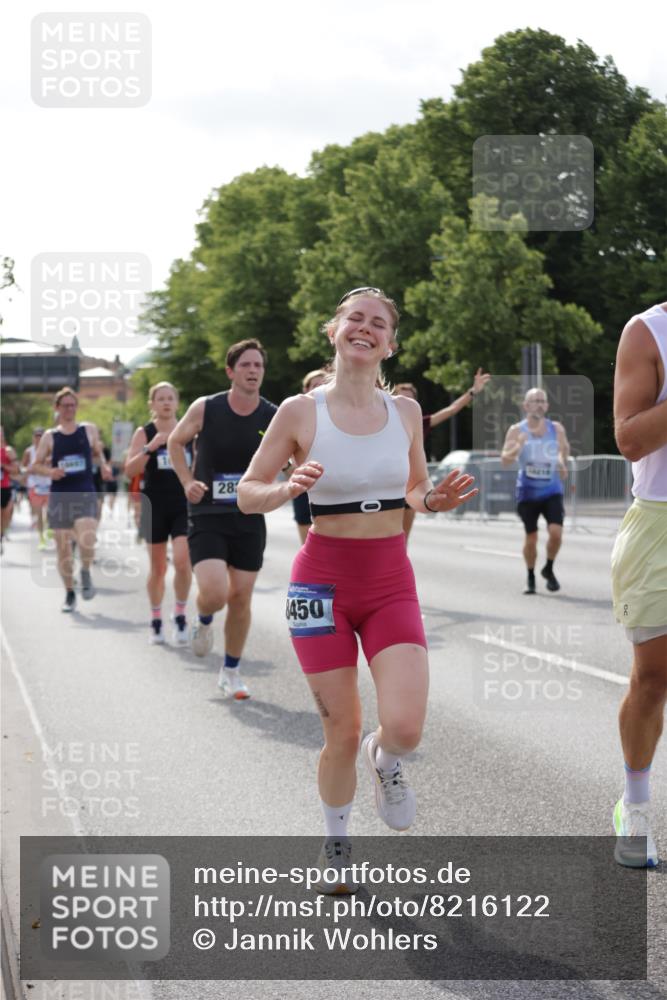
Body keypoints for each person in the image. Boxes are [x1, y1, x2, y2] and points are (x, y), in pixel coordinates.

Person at [238, 287, 476, 891]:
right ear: (334, 330)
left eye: (378, 324)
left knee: (404, 728)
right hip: (320, 582)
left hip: (390, 577)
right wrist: (288, 490)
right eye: (355, 319)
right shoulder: (299, 411)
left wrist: (434, 500)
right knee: (340, 729)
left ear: (390, 344)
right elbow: (247, 491)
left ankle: (387, 762)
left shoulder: (403, 413)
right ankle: (337, 840)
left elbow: (417, 487)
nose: (365, 329)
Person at [168, 338, 278, 699]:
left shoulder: (272, 415)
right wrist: (187, 481)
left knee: (242, 598)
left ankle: (231, 670)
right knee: (215, 593)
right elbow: (174, 441)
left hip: (249, 515)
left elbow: (292, 452)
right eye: (245, 365)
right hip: (208, 513)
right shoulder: (207, 408)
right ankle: (202, 619)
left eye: (258, 365)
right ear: (231, 371)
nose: (252, 371)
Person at [610, 301, 667, 869]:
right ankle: (636, 806)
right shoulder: (649, 331)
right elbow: (630, 440)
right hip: (660, 525)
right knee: (654, 679)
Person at [29, 387, 111, 612]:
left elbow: (98, 450)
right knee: (63, 550)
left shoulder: (88, 430)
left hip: (85, 490)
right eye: (65, 405)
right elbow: (35, 465)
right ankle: (69, 594)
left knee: (87, 537)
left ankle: (84, 571)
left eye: (73, 405)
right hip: (60, 495)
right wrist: (50, 472)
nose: (69, 409)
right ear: (57, 408)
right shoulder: (50, 436)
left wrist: (103, 465)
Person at [125, 382, 193, 645]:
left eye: (170, 398)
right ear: (152, 404)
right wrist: (150, 447)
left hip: (182, 504)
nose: (166, 402)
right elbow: (130, 471)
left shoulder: (188, 429)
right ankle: (155, 619)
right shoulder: (145, 432)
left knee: (182, 560)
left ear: (177, 402)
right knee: (158, 568)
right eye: (160, 399)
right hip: (154, 506)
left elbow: (200, 464)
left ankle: (180, 615)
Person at [394, 369, 491, 540]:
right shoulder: (381, 420)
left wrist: (473, 392)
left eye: (411, 398)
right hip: (386, 487)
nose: (406, 401)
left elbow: (452, 409)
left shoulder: (420, 423)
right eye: (402, 397)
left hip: (409, 488)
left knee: (403, 542)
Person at [500, 387, 569, 594]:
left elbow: (562, 450)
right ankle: (530, 576)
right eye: (534, 401)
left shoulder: (556, 428)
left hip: (552, 490)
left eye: (542, 401)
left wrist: (561, 462)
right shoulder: (516, 430)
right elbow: (505, 459)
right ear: (526, 406)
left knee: (556, 533)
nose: (539, 404)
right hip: (527, 492)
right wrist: (518, 446)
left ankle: (548, 567)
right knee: (532, 537)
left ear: (547, 406)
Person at [293, 369, 329, 544]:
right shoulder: (294, 417)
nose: (321, 389)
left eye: (325, 384)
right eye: (315, 385)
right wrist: (287, 467)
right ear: (305, 389)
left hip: (335, 489)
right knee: (309, 544)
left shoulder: (346, 416)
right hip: (304, 488)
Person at [21, 428, 51, 549]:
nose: (38, 439)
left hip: (49, 484)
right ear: (33, 437)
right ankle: (41, 539)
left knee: (50, 512)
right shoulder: (29, 451)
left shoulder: (49, 450)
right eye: (36, 436)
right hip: (35, 486)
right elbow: (22, 467)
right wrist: (28, 471)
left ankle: (49, 529)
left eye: (41, 436)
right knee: (39, 514)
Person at [0, 427, 18, 552]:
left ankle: (1, 536)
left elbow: (16, 469)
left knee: (5, 517)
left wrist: (3, 466)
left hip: (5, 487)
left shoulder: (8, 451)